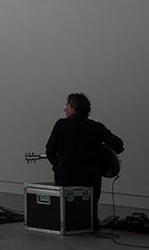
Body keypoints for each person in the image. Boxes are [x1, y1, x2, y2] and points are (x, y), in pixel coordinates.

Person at [45, 93, 124, 227]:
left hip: (65, 178)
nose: (65, 109)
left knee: (66, 207)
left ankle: (67, 224)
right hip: (90, 179)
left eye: (67, 106)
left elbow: (50, 151)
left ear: (75, 106)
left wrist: (58, 166)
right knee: (90, 205)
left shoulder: (61, 124)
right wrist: (100, 152)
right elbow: (118, 145)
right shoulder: (96, 127)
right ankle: (91, 223)